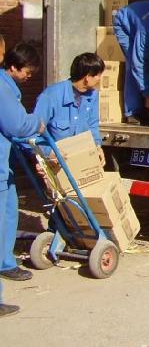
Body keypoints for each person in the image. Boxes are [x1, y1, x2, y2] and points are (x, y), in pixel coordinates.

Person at [0, 40, 44, 318]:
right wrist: (36, 123)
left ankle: (5, 261)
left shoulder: (7, 87)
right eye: (27, 72)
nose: (29, 77)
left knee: (9, 210)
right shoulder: (2, 88)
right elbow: (17, 124)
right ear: (14, 67)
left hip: (4, 167)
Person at [33, 53, 105, 164]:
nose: (100, 79)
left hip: (80, 159)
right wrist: (49, 152)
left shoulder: (93, 95)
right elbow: (33, 134)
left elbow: (93, 125)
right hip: (55, 161)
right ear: (87, 77)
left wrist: (97, 146)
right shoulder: (50, 96)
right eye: (98, 75)